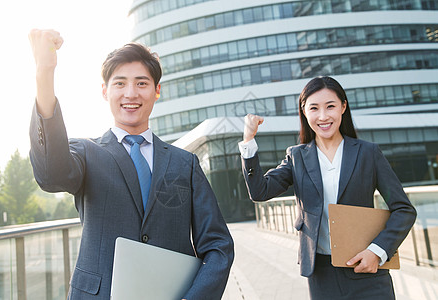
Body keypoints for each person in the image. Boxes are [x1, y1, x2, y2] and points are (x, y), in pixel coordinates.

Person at [28, 29, 234, 300]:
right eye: (120, 83)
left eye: (141, 83)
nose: (130, 93)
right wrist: (45, 73)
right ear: (105, 91)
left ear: (157, 90)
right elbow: (51, 175)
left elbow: (218, 245)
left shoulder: (186, 163)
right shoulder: (86, 153)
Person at [239, 76, 416, 299]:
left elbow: (403, 209)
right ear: (304, 112)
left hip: (367, 269)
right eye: (314, 108)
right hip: (321, 275)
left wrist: (377, 251)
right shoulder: (297, 157)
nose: (323, 116)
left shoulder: (368, 153)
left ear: (343, 107)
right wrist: (248, 140)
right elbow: (259, 191)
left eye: (330, 106)